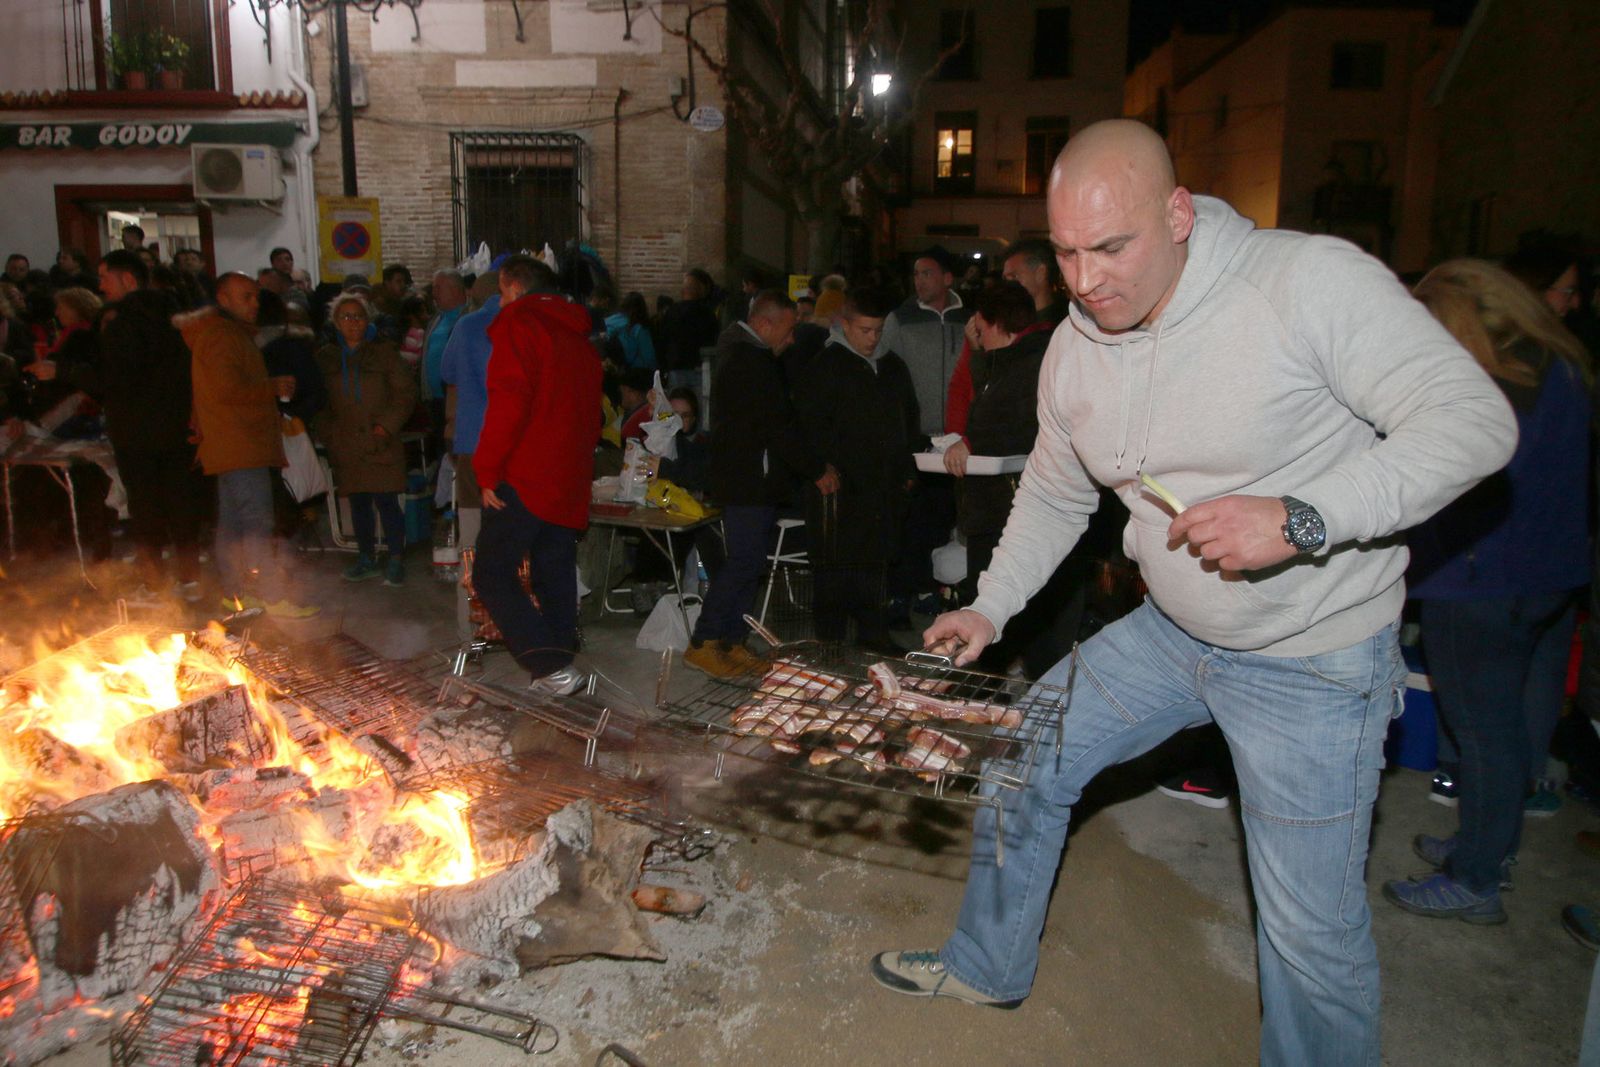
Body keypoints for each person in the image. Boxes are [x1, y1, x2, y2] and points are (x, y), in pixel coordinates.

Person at [869, 120, 1517, 1065]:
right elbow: (1055, 490)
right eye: (1067, 253)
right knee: (1024, 757)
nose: (1086, 281)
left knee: (1307, 933)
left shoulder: (1303, 284)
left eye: (1112, 247)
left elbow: (1476, 423)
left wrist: (1302, 516)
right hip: (1172, 632)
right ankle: (987, 963)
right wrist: (990, 604)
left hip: (1314, 652)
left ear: (1177, 215)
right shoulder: (1073, 345)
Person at [1382, 259, 1592, 923]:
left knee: (1483, 733)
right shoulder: (1559, 366)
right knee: (1513, 727)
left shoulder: (1488, 387)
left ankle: (1474, 877)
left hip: (1481, 584)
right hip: (1550, 577)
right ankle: (1488, 844)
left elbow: (1445, 490)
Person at [684, 291, 834, 677]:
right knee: (743, 563)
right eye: (788, 328)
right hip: (747, 479)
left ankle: (731, 641)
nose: (793, 337)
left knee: (751, 564)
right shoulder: (749, 361)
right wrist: (816, 468)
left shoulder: (750, 356)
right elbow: (778, 426)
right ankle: (704, 641)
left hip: (754, 478)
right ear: (764, 324)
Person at [473, 255, 602, 695]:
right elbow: (590, 419)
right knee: (554, 571)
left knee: (491, 573)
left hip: (525, 474)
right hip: (567, 475)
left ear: (512, 286)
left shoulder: (519, 324)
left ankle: (549, 668)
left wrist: (487, 470)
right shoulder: (579, 338)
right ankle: (561, 666)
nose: (499, 299)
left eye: (500, 290)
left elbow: (508, 404)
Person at [180, 272, 319, 618]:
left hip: (233, 445)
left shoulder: (228, 334)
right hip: (240, 445)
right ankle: (272, 598)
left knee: (233, 526)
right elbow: (227, 390)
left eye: (256, 296)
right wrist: (271, 387)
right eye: (246, 296)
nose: (255, 303)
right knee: (257, 525)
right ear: (223, 299)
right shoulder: (222, 336)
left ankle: (236, 595)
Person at [794, 287, 917, 653]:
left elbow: (907, 419)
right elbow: (807, 427)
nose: (872, 338)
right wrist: (819, 468)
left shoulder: (892, 366)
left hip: (882, 482)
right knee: (835, 564)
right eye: (864, 330)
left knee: (875, 562)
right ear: (844, 324)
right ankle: (829, 639)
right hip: (839, 484)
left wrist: (906, 463)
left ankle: (872, 633)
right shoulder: (824, 367)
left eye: (878, 330)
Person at [86, 250, 203, 598]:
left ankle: (154, 584)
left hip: (137, 431)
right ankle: (191, 579)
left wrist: (64, 371)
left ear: (129, 280)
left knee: (146, 507)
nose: (101, 286)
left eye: (105, 277)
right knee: (181, 503)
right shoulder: (176, 317)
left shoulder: (124, 323)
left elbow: (113, 380)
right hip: (176, 426)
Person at [315, 293, 418, 586]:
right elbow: (319, 404)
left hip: (380, 441)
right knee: (358, 502)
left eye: (358, 316)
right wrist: (330, 434)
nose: (353, 323)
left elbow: (405, 394)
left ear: (368, 320)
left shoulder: (384, 353)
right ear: (336, 322)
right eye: (346, 317)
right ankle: (366, 557)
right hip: (347, 444)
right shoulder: (327, 358)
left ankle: (396, 558)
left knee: (387, 501)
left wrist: (386, 426)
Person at [439, 271, 500, 639]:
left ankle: (470, 630)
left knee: (471, 542)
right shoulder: (524, 326)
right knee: (516, 543)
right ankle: (515, 627)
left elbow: (444, 372)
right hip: (515, 455)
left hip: (473, 450)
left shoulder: (467, 325)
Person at [656, 268, 721, 394]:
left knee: (676, 408)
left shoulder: (672, 312)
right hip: (701, 369)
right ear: (699, 290)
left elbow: (661, 342)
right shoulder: (707, 313)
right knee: (701, 408)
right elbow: (713, 340)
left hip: (676, 369)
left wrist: (664, 368)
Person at [421, 270, 469, 437]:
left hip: (457, 400)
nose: (433, 294)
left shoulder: (468, 318)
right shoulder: (436, 320)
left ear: (455, 290)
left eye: (438, 288)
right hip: (435, 400)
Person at [604, 291, 657, 371]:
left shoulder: (608, 321)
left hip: (609, 369)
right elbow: (649, 357)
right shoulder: (638, 328)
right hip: (633, 371)